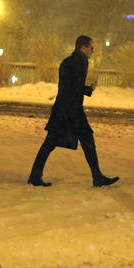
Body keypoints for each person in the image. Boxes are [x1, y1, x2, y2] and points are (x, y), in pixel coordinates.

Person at [28, 35, 119, 187]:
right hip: (71, 110)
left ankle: (35, 176)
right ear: (83, 47)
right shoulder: (80, 61)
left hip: (63, 108)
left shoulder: (67, 61)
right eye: (92, 48)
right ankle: (97, 177)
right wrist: (89, 89)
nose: (92, 52)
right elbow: (74, 86)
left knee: (54, 142)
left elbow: (67, 85)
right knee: (76, 141)